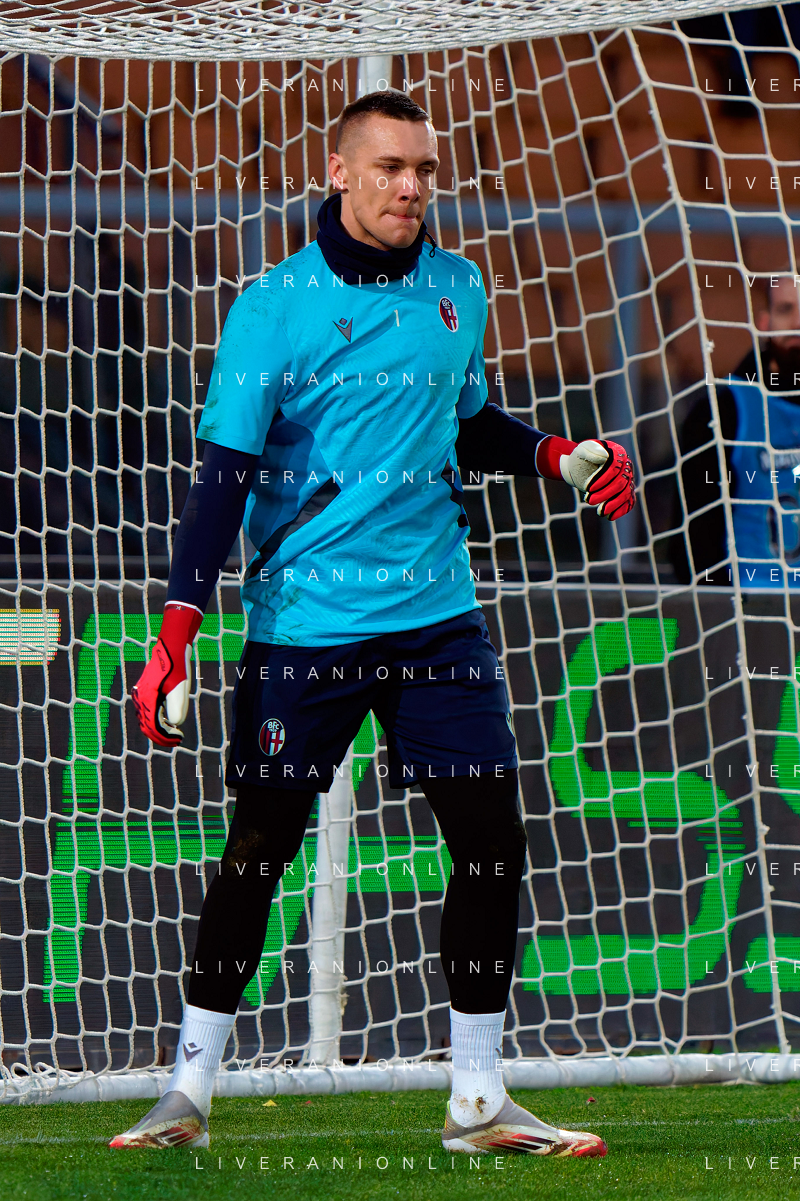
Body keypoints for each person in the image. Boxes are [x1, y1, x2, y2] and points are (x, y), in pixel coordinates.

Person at [109, 91, 634, 1155]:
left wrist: (551, 455)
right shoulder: (273, 307)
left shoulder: (459, 287)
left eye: (425, 170)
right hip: (306, 625)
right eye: (391, 167)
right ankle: (186, 1093)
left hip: (437, 622)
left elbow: (464, 420)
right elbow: (222, 477)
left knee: (491, 843)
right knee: (259, 850)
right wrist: (175, 631)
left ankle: (477, 1100)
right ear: (339, 171)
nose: (412, 187)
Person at [676, 272, 800, 586]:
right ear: (764, 323)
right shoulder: (723, 411)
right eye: (786, 309)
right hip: (753, 605)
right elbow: (693, 546)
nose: (798, 322)